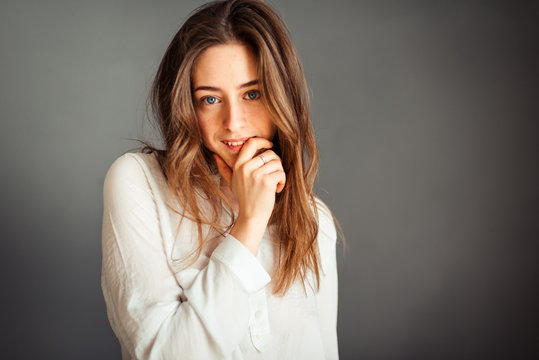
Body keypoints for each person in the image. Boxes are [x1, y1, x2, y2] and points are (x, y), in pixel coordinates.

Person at [101, 0, 339, 359]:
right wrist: (250, 223)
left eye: (252, 94)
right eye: (210, 99)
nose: (234, 122)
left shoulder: (313, 218)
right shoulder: (138, 183)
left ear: (281, 97)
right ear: (186, 106)